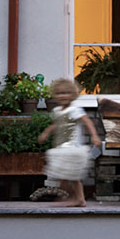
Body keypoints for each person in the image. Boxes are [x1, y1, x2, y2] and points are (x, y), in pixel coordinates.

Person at [35, 77, 100, 207]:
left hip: (72, 147)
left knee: (74, 177)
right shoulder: (57, 111)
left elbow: (87, 121)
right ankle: (68, 196)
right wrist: (46, 133)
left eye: (66, 93)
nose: (62, 96)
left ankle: (80, 199)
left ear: (73, 94)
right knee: (61, 174)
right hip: (61, 148)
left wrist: (94, 136)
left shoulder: (75, 109)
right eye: (59, 93)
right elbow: (56, 125)